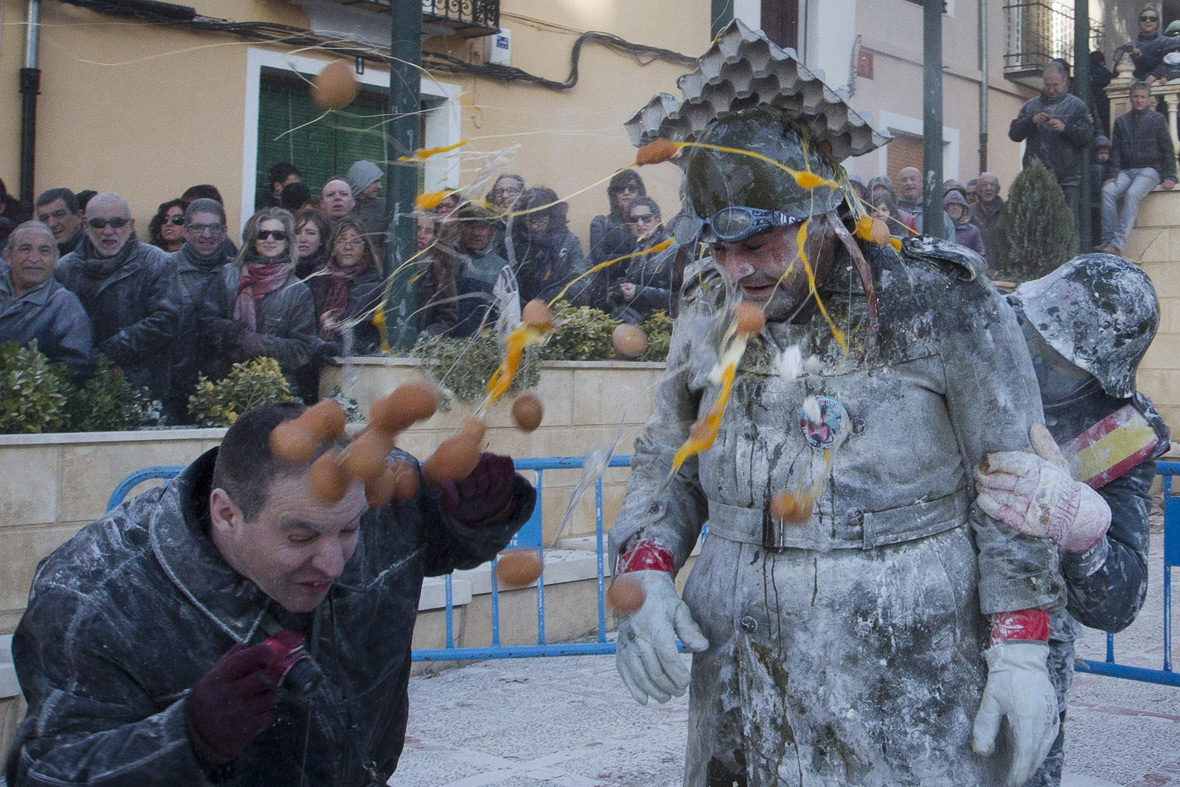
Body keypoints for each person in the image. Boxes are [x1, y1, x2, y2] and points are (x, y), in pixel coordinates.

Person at [609, 101, 1063, 784]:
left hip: (905, 660)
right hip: (741, 671)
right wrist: (645, 569)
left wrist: (1021, 648)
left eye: (760, 243)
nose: (738, 270)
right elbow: (669, 454)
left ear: (824, 212)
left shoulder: (938, 300)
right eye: (720, 247)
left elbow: (1016, 485)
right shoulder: (708, 302)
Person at [4, 401, 536, 785]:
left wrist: (480, 514)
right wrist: (188, 739)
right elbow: (48, 771)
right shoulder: (94, 600)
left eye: (348, 531)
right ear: (225, 513)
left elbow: (434, 540)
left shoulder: (375, 493)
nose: (332, 562)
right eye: (300, 536)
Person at [976, 254, 1171, 786]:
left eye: (1063, 363)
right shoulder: (974, 331)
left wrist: (1085, 536)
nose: (1037, 364)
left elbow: (1119, 603)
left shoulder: (1120, 430)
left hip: (1035, 637)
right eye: (1036, 340)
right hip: (930, 598)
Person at [55, 192, 179, 402]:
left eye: (117, 222)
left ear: (131, 225)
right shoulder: (65, 269)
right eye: (98, 223)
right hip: (80, 389)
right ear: (85, 225)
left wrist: (106, 354)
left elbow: (166, 321)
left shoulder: (157, 262)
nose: (108, 231)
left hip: (141, 389)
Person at [202, 208, 320, 393]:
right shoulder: (227, 276)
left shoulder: (297, 291)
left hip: (274, 389)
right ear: (252, 239)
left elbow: (303, 349)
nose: (270, 240)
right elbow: (205, 324)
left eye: (278, 235)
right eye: (262, 234)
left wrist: (257, 344)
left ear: (287, 241)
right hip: (223, 386)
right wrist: (235, 335)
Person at [168, 199, 234, 423]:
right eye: (198, 227)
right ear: (185, 231)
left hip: (224, 385)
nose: (207, 235)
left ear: (224, 232)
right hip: (172, 385)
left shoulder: (237, 273)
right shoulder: (164, 269)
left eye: (214, 227)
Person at [0, 221, 92, 376]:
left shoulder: (65, 306)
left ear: (56, 259)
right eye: (25, 249)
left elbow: (74, 366)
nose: (34, 258)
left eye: (44, 251)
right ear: (8, 256)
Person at [1009, 61, 1094, 226]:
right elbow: (1014, 134)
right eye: (1047, 85)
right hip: (1036, 175)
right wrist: (1031, 121)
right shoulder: (1031, 106)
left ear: (1064, 80)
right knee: (1037, 223)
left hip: (1067, 178)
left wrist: (1065, 128)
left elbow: (1087, 138)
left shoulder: (1077, 106)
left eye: (1055, 85)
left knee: (1066, 225)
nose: (1051, 90)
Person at [1098, 80, 1176, 256]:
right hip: (1127, 170)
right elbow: (1115, 151)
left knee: (1133, 194)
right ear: (1130, 98)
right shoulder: (1121, 122)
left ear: (1148, 99)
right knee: (1108, 191)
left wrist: (1170, 175)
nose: (1139, 100)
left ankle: (1117, 244)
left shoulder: (1158, 120)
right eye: (1136, 97)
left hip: (1150, 170)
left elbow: (1167, 149)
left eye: (1142, 97)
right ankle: (1107, 241)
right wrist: (1112, 174)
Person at [309, 216, 383, 355]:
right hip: (316, 357)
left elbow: (372, 339)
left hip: (355, 362)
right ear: (332, 247)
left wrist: (337, 343)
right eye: (341, 241)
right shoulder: (318, 277)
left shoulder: (374, 285)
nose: (348, 247)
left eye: (355, 242)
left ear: (365, 248)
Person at [509, 187, 589, 305]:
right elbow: (507, 283)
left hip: (559, 309)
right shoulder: (515, 241)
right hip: (520, 310)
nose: (534, 224)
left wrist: (549, 299)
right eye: (529, 217)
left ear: (552, 215)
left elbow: (579, 280)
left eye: (540, 216)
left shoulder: (568, 241)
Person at [607, 196, 675, 322]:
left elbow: (681, 297)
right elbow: (636, 283)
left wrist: (638, 292)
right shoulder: (637, 251)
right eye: (634, 219)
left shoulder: (673, 250)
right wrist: (622, 286)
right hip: (646, 324)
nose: (640, 223)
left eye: (646, 219)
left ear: (657, 220)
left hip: (668, 325)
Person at [452, 201, 510, 337]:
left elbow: (509, 314)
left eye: (482, 228)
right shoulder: (446, 259)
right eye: (470, 226)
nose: (476, 233)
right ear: (460, 228)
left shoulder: (500, 268)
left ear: (491, 232)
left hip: (479, 350)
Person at [589, 171, 646, 297]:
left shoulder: (649, 222)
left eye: (631, 188)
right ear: (614, 195)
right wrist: (637, 257)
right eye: (620, 189)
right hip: (607, 295)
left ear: (639, 192)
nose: (626, 192)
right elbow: (599, 259)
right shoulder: (600, 222)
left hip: (640, 293)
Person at [414, 214, 459, 336]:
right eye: (417, 228)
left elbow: (448, 317)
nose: (421, 236)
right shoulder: (388, 264)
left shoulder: (440, 271)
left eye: (428, 231)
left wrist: (426, 336)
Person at [895, 166, 955, 237]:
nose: (909, 183)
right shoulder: (893, 211)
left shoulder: (935, 212)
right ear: (898, 185)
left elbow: (950, 240)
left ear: (921, 183)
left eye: (913, 179)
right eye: (904, 180)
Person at [347, 160, 385, 253]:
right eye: (375, 181)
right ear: (362, 181)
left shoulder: (384, 209)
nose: (379, 186)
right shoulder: (344, 209)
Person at [34, 188, 85, 256]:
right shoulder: (36, 256)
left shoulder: (97, 254)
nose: (51, 224)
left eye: (59, 215)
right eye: (44, 218)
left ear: (79, 216)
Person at [944, 189, 987, 262]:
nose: (955, 208)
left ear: (964, 209)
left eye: (959, 205)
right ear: (945, 207)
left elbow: (980, 257)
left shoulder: (972, 231)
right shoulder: (937, 228)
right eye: (952, 204)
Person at [969, 171, 1005, 256]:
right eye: (984, 185)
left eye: (992, 185)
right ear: (977, 189)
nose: (988, 188)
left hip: (1000, 264)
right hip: (977, 262)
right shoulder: (969, 211)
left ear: (998, 189)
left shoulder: (1007, 211)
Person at [293, 208, 331, 281]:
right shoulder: (279, 271)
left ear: (321, 240)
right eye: (297, 233)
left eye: (310, 233)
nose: (303, 239)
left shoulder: (331, 273)